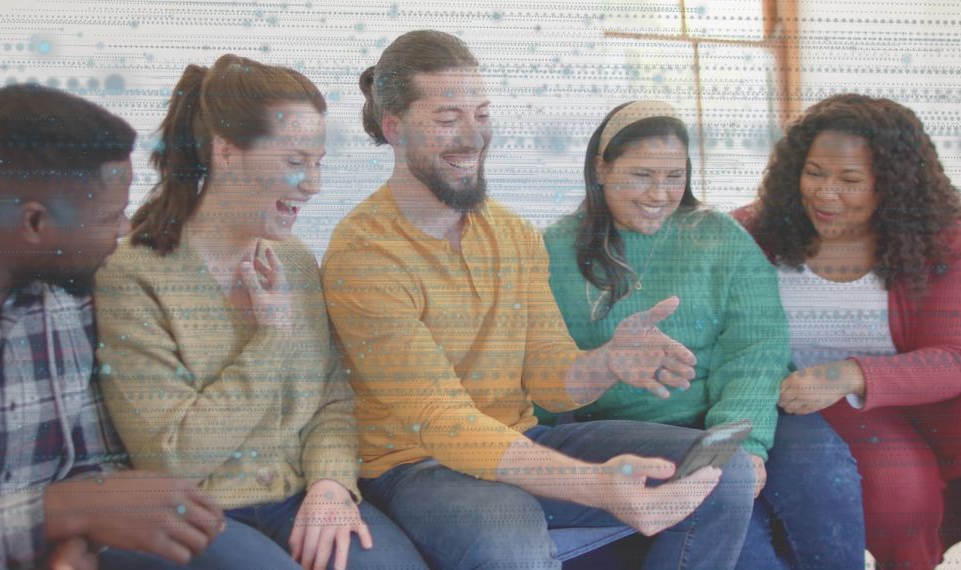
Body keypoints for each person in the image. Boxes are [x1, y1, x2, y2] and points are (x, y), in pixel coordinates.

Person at [321, 30, 755, 570]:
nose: (473, 137)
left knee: (725, 473)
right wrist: (595, 483)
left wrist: (607, 362)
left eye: (481, 114)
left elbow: (549, 373)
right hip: (416, 464)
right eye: (447, 119)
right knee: (509, 534)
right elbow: (440, 418)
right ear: (394, 128)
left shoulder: (513, 233)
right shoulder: (363, 253)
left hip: (520, 437)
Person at [93, 54, 426, 570]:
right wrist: (271, 338)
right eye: (295, 162)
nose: (313, 184)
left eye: (318, 163)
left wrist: (332, 483)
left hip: (298, 494)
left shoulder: (293, 260)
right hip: (196, 507)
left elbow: (331, 398)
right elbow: (172, 457)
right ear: (226, 153)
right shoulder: (133, 276)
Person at [0, 84, 227, 570]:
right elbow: (79, 503)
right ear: (34, 223)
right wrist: (53, 514)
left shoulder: (68, 293)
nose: (123, 232)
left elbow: (96, 464)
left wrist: (74, 542)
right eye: (110, 217)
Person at [536, 100, 865, 569]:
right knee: (751, 557)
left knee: (827, 481)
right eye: (642, 175)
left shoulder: (718, 235)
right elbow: (541, 370)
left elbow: (757, 347)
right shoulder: (552, 251)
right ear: (601, 168)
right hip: (640, 432)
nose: (660, 194)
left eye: (675, 176)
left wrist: (744, 445)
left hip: (745, 414)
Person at [733, 93, 961, 569]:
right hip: (802, 393)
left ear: (892, 186)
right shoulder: (753, 231)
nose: (826, 194)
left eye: (850, 180)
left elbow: (959, 356)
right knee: (900, 495)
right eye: (814, 173)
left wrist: (849, 374)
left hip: (912, 392)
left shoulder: (940, 237)